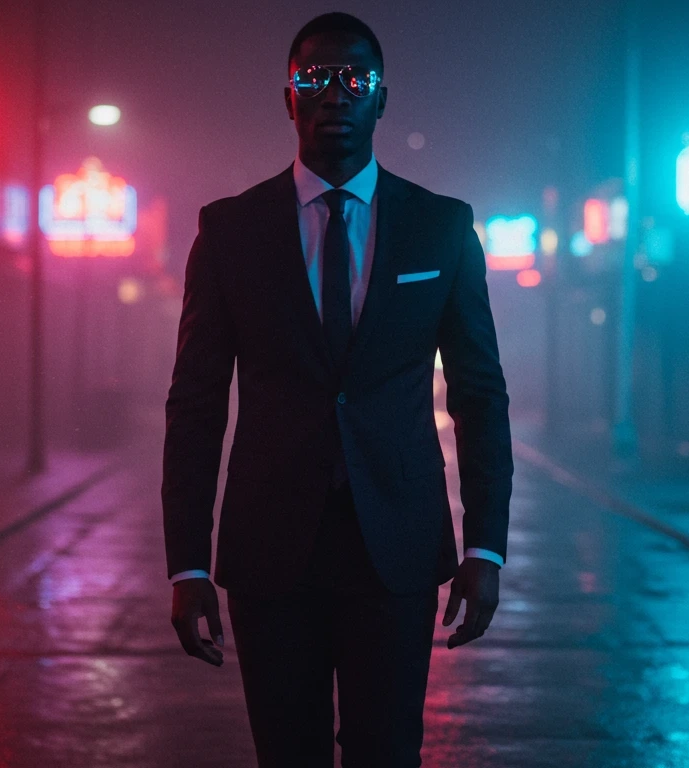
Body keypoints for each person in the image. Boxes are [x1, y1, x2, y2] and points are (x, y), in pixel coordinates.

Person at [162, 11, 513, 767]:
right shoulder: (229, 231)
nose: (334, 94)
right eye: (314, 78)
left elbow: (480, 395)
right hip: (269, 549)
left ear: (382, 99)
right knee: (287, 756)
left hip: (395, 545)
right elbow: (194, 406)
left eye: (355, 79)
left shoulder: (441, 228)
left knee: (388, 753)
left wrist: (486, 546)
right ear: (287, 97)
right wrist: (186, 563)